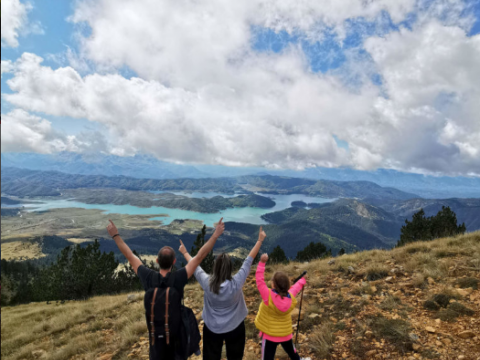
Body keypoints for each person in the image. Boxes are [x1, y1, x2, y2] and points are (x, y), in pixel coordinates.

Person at [107, 218, 225, 359]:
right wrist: (215, 235)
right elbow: (200, 256)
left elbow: (129, 255)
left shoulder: (148, 277)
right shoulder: (179, 277)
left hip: (156, 344)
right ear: (174, 262)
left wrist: (115, 235)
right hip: (176, 343)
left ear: (157, 261)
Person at [180, 226, 267, 360]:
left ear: (215, 268)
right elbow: (249, 260)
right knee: (235, 356)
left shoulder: (207, 283)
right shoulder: (237, 282)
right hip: (235, 326)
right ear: (230, 268)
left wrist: (185, 252)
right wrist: (260, 240)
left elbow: (195, 266)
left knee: (211, 357)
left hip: (212, 329)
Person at [254, 254, 310, 360]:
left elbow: (259, 280)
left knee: (267, 358)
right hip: (285, 334)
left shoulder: (267, 296)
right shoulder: (290, 297)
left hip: (269, 335)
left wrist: (262, 262)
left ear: (273, 285)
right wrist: (303, 280)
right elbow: (296, 288)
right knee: (292, 353)